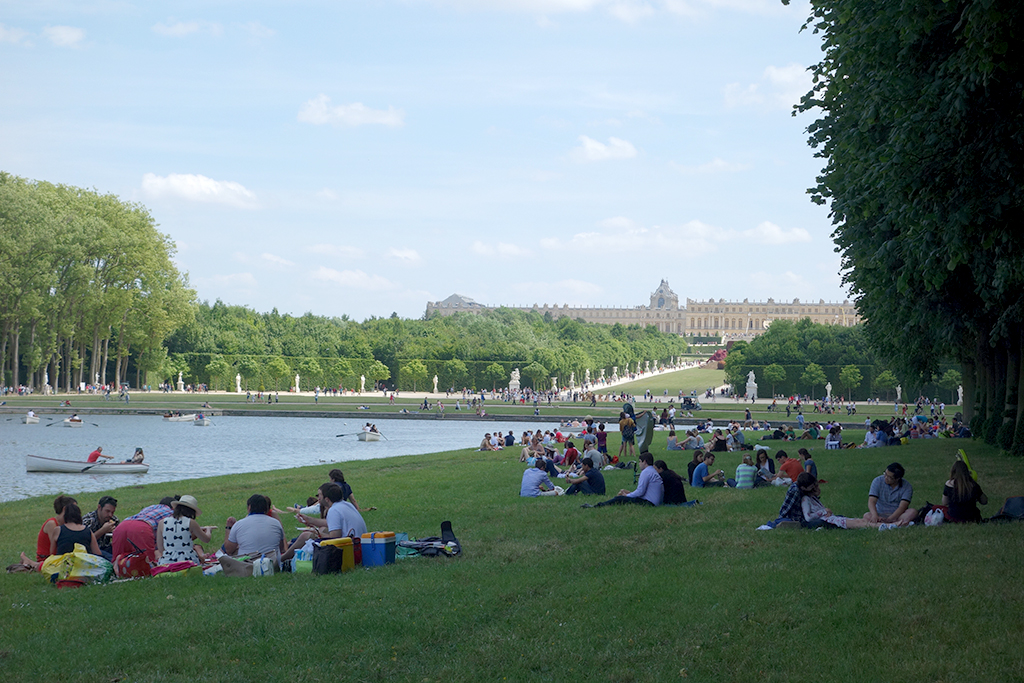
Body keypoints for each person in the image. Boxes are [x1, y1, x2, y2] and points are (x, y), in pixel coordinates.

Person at [17, 495, 77, 571]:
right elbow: (56, 546)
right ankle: (31, 563)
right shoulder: (52, 524)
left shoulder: (66, 524)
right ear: (65, 509)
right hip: (47, 557)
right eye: (75, 508)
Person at [799, 473, 879, 529]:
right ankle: (884, 526)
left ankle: (885, 524)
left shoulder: (813, 498)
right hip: (827, 520)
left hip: (831, 518)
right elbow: (808, 517)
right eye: (813, 486)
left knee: (858, 520)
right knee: (857, 523)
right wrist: (823, 511)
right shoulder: (806, 499)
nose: (815, 488)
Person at [111, 496, 178, 562]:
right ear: (173, 507)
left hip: (122, 526)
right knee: (146, 562)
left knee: (119, 561)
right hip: (141, 528)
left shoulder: (152, 507)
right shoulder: (171, 512)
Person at [224, 494, 287, 560]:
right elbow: (281, 548)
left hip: (247, 565)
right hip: (272, 565)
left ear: (249, 507)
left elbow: (229, 550)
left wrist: (228, 528)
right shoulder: (276, 523)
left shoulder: (239, 524)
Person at [588, 452, 663, 507]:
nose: (639, 464)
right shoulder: (652, 471)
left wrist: (627, 495)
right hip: (654, 501)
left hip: (649, 503)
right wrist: (629, 494)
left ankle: (599, 505)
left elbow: (640, 492)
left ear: (645, 462)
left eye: (640, 462)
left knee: (619, 499)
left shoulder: (646, 472)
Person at [156, 495, 213, 565]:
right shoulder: (191, 522)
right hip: (188, 560)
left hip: (167, 560)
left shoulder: (162, 523)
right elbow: (206, 539)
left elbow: (160, 548)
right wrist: (208, 530)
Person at [864, 463, 917, 528]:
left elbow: (902, 507)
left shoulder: (907, 486)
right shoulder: (877, 481)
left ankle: (885, 524)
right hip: (880, 514)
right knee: (867, 515)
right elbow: (872, 501)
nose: (886, 478)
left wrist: (890, 519)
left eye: (890, 477)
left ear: (897, 479)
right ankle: (897, 524)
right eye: (885, 474)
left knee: (913, 512)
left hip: (898, 515)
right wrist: (875, 515)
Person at [81, 496, 119, 561]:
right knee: (112, 559)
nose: (110, 515)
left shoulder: (114, 520)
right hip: (91, 551)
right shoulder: (89, 520)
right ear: (99, 507)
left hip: (106, 547)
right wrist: (102, 531)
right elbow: (84, 543)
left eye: (112, 512)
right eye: (107, 511)